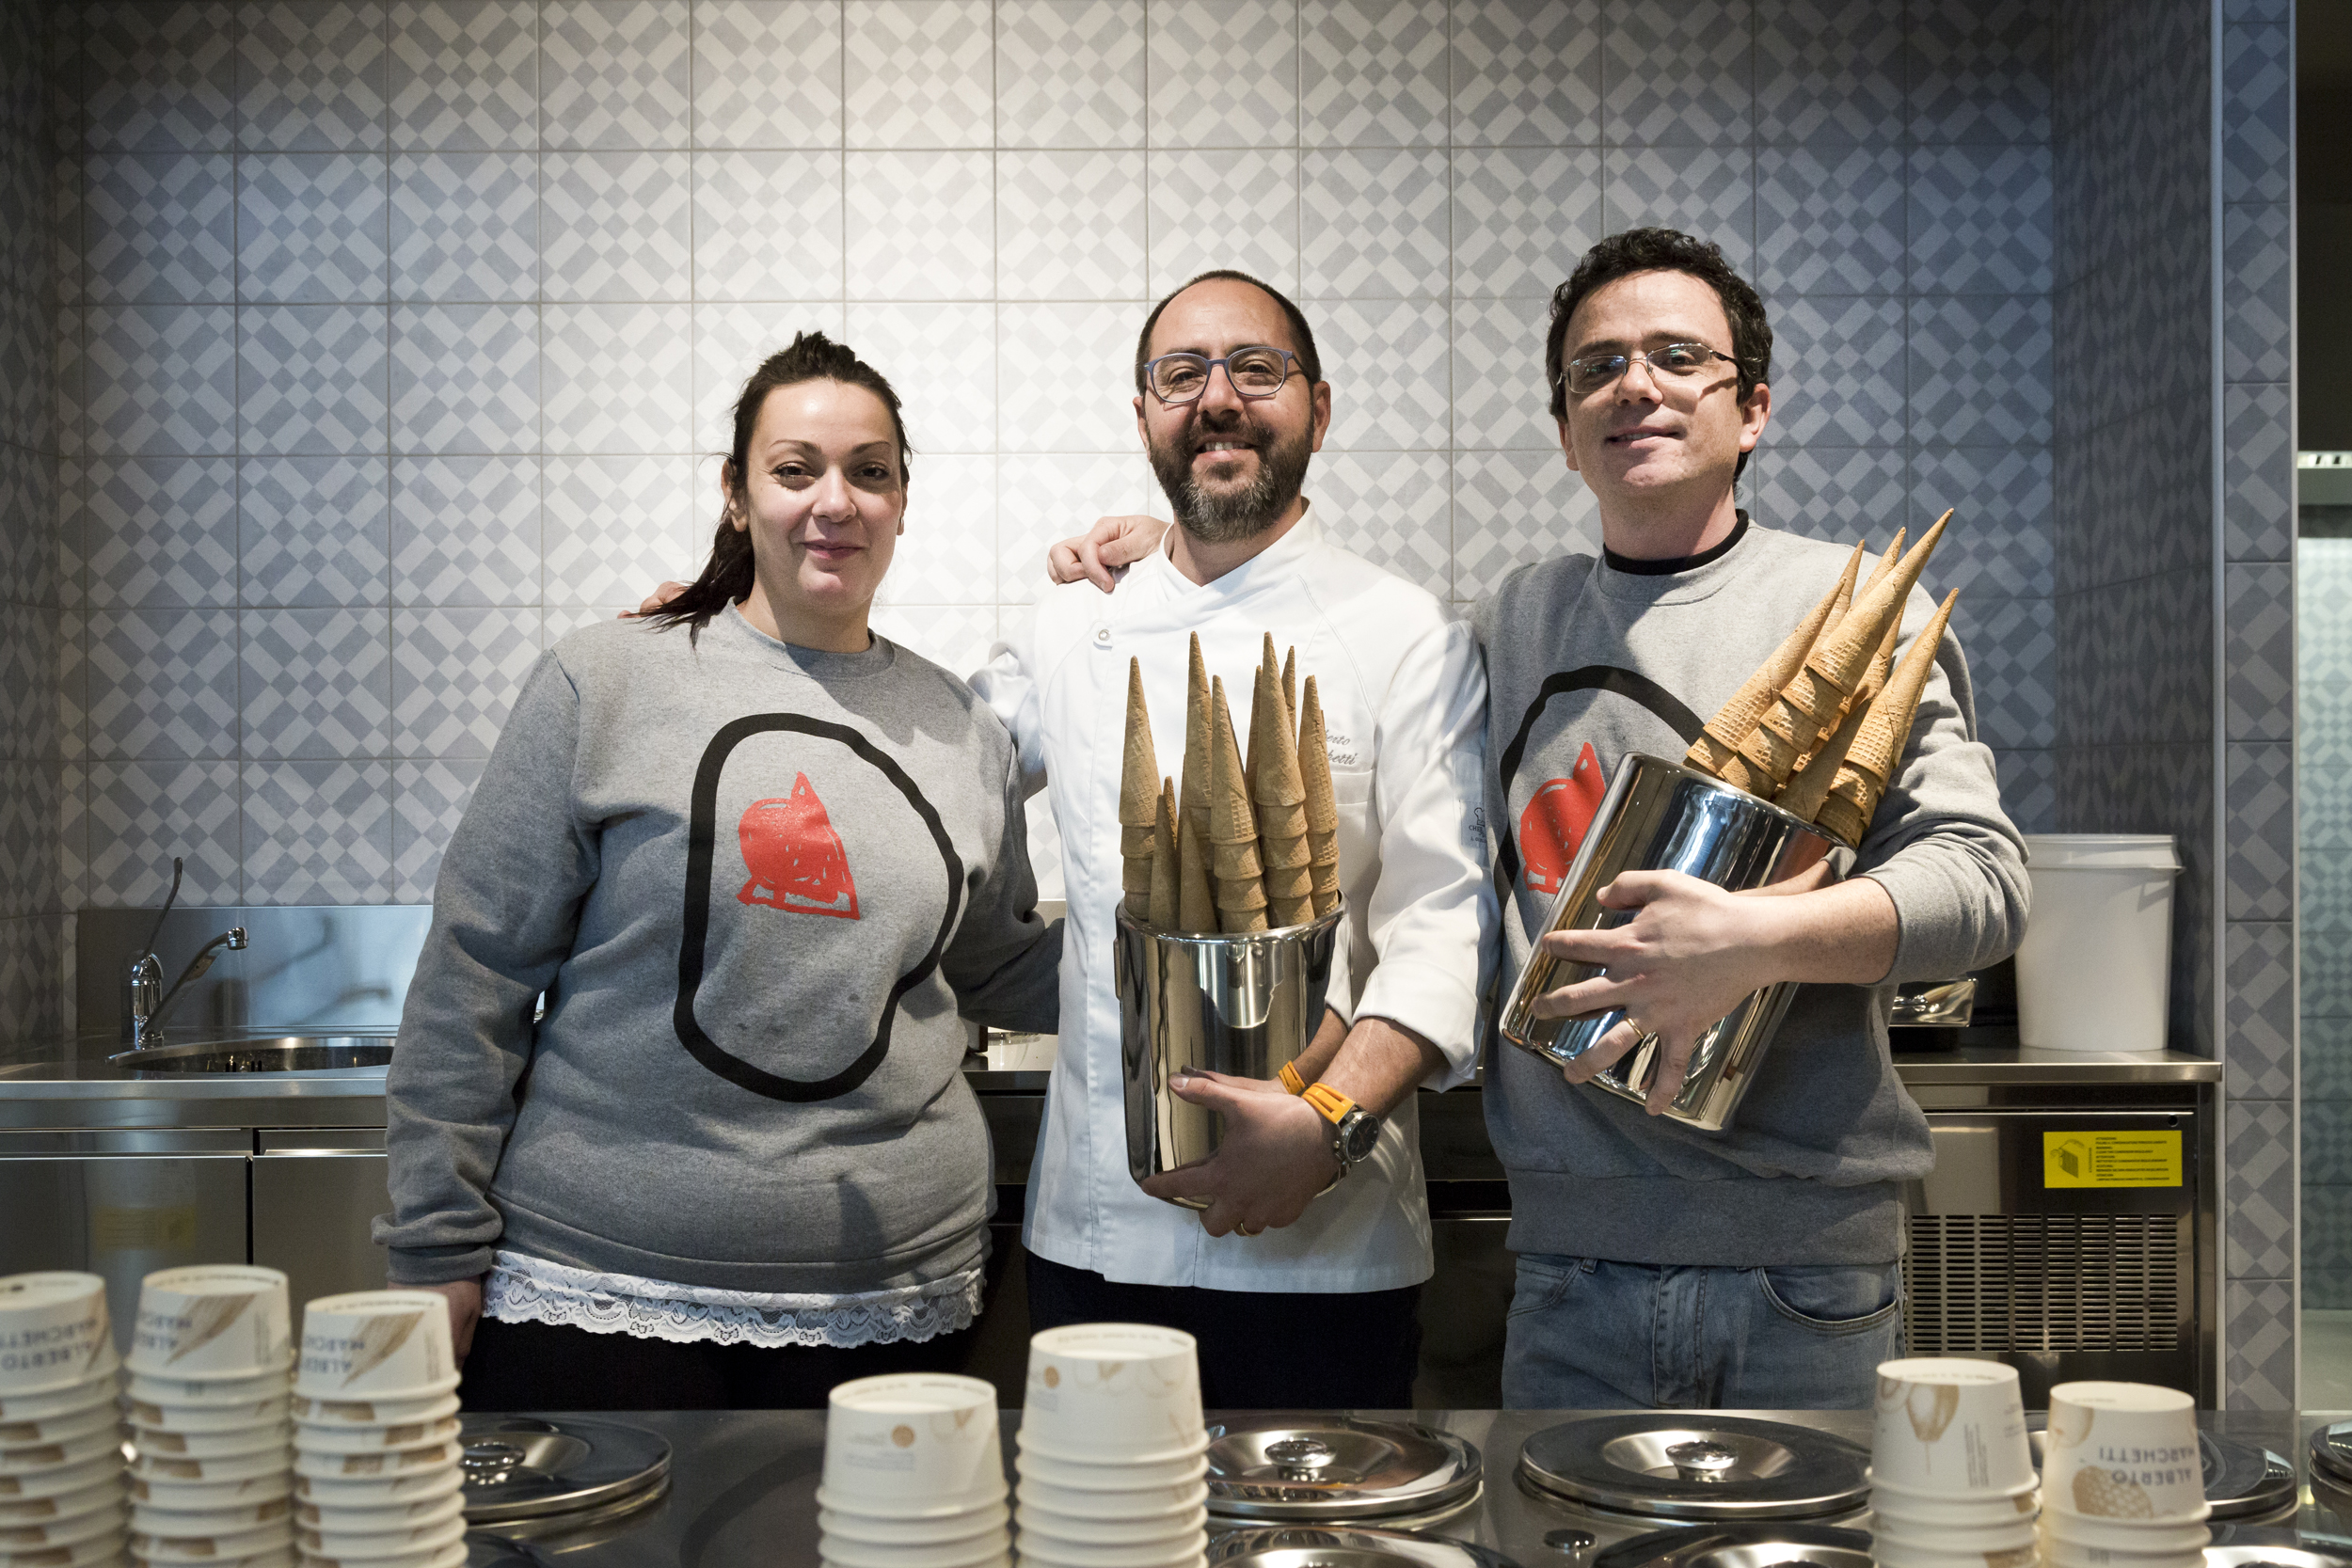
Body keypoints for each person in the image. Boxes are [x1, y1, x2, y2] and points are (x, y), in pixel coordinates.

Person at [1050, 230, 2028, 1411]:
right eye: (1596, 366)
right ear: (1566, 428)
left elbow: (1982, 879)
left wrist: (1758, 941)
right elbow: (1450, 898)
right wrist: (1161, 549)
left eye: (1679, 356)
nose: (1636, 385)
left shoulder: (1854, 605)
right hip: (1565, 1263)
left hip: (1798, 1263)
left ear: (1753, 406)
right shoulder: (1522, 617)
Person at [634, 277, 1489, 1407]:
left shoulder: (1406, 633)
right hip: (1094, 1242)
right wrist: (728, 662)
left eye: (1255, 369)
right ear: (1143, 418)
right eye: (1181, 375)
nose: (1217, 399)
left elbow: (1443, 923)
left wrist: (1325, 1121)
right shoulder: (1072, 621)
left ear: (1318, 410)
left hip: (1329, 1239)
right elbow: (913, 758)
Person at [375, 332, 1063, 1410]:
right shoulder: (603, 681)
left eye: (868, 472)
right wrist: (434, 1244)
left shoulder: (958, 726)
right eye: (796, 469)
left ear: (901, 500)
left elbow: (1001, 964)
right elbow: (474, 975)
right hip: (598, 1297)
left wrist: (1237, 967)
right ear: (737, 494)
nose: (834, 500)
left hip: (902, 1307)